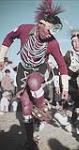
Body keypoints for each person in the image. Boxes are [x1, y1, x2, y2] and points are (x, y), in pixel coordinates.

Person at [0, 0, 68, 149]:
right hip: (22, 70)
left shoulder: (53, 43)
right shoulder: (24, 29)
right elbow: (8, 38)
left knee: (34, 83)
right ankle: (30, 139)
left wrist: (66, 88)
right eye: (49, 30)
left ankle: (43, 107)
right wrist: (1, 56)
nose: (51, 34)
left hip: (39, 70)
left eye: (54, 31)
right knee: (25, 107)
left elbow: (62, 65)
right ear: (41, 24)